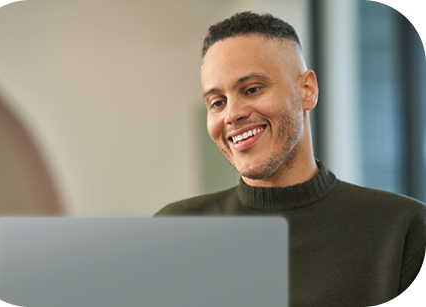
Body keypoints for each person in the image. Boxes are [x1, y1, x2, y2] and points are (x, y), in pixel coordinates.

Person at [154, 11, 426, 306]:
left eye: (252, 89)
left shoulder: (404, 231)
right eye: (217, 102)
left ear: (307, 90)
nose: (232, 114)